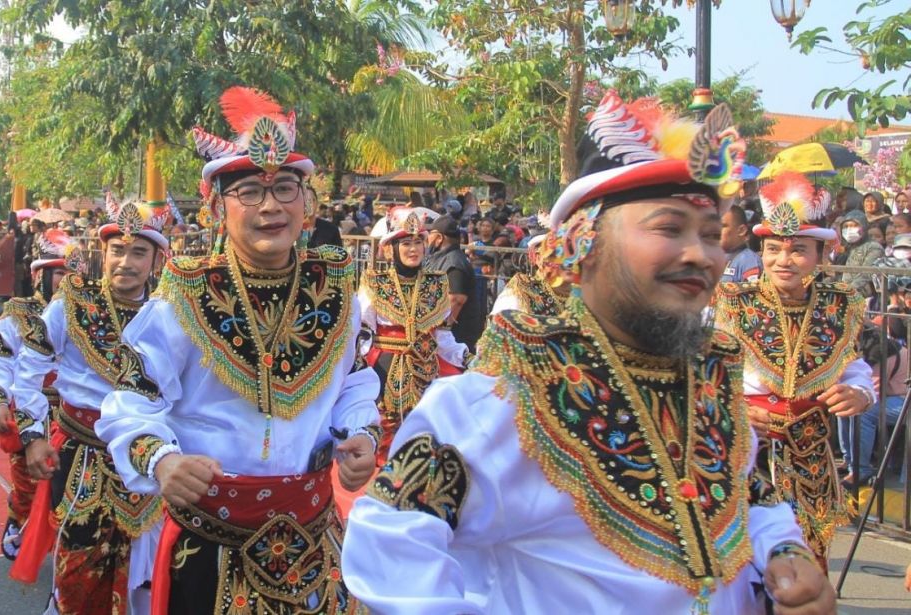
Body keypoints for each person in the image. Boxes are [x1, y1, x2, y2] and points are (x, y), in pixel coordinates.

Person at [343, 91, 834, 614]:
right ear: (582, 243)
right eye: (670, 228)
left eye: (712, 235)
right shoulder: (509, 396)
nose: (701, 254)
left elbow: (750, 494)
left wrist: (782, 552)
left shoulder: (710, 382)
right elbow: (389, 539)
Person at [98, 87, 379, 614]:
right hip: (211, 540)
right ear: (215, 206)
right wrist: (162, 461)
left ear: (308, 201)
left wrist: (359, 430)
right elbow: (131, 400)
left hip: (313, 537)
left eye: (286, 189)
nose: (271, 206)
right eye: (249, 191)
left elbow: (355, 377)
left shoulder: (337, 284)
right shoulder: (184, 293)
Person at [10, 201, 169, 614]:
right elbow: (29, 368)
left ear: (156, 259)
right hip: (82, 454)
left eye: (138, 252)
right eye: (118, 250)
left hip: (147, 458)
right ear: (105, 255)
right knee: (78, 568)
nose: (126, 262)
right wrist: (33, 438)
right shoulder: (74, 304)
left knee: (144, 571)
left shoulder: (168, 314)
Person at [718, 171, 874, 570]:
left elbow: (851, 362)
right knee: (742, 556)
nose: (782, 261)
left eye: (797, 250)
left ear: (820, 256)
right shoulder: (733, 303)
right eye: (773, 249)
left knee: (806, 559)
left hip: (810, 450)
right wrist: (731, 405)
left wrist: (859, 393)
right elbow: (707, 368)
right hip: (745, 443)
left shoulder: (840, 305)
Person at [0, 229, 71, 560]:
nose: (66, 280)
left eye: (70, 273)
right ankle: (18, 518)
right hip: (30, 410)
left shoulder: (86, 314)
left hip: (72, 416)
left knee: (67, 487)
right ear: (40, 275)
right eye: (59, 273)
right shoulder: (18, 312)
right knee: (27, 484)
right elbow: (0, 362)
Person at [361, 207, 470, 461]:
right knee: (385, 444)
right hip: (384, 373)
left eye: (418, 242)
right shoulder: (375, 282)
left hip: (427, 370)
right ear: (392, 248)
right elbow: (362, 335)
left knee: (425, 442)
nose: (413, 249)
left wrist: (466, 357)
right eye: (406, 243)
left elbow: (442, 337)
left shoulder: (436, 283)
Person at [836, 325, 908, 490]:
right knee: (843, 406)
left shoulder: (883, 356)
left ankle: (860, 469)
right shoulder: (880, 347)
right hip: (892, 397)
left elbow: (870, 394)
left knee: (864, 412)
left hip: (903, 401)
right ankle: (849, 459)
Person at [425, 214, 485, 351]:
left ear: (439, 238)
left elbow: (456, 300)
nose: (428, 238)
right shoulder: (443, 258)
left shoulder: (454, 263)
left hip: (455, 337)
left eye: (431, 234)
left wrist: (439, 330)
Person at [836, 208, 884, 298]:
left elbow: (866, 275)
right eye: (846, 227)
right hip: (843, 291)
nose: (849, 229)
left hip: (862, 294)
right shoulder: (846, 248)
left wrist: (847, 291)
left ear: (864, 227)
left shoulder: (873, 247)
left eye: (854, 226)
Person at [720, 204, 763, 284]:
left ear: (741, 230)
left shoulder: (749, 261)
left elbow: (752, 294)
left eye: (722, 226)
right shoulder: (714, 258)